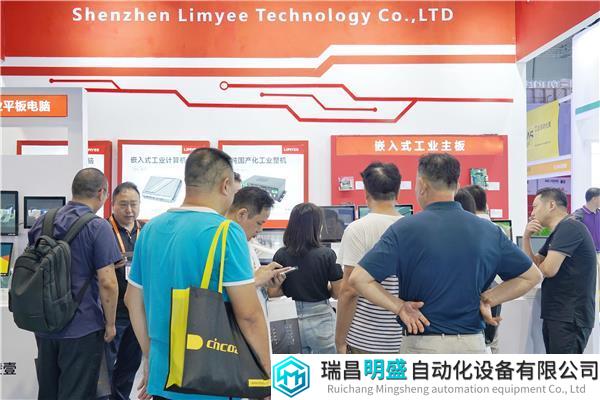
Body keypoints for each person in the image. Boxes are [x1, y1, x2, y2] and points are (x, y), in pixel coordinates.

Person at [349, 153, 542, 354]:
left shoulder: (404, 229)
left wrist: (399, 307)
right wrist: (489, 298)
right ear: (456, 185)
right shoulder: (489, 230)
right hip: (472, 346)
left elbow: (359, 279)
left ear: (422, 185)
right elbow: (532, 276)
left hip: (423, 346)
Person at [124, 148, 270, 400]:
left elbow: (132, 300)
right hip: (210, 381)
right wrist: (267, 376)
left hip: (162, 379)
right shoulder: (226, 232)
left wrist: (151, 357)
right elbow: (249, 316)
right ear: (226, 185)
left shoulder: (150, 229)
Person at [28, 168, 120, 399]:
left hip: (45, 324)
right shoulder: (98, 227)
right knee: (77, 393)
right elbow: (108, 282)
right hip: (82, 327)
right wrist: (110, 325)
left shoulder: (43, 221)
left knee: (48, 391)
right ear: (101, 192)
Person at [335, 162, 404, 354]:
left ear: (366, 193)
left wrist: (340, 340)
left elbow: (349, 291)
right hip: (403, 336)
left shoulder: (357, 229)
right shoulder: (413, 228)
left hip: (364, 339)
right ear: (398, 192)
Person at [523, 188, 597, 353]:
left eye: (535, 207)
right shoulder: (558, 231)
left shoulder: (570, 227)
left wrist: (540, 267)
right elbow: (535, 264)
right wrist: (526, 237)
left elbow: (548, 270)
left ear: (551, 205)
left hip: (570, 316)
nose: (532, 213)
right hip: (558, 314)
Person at [269, 203, 343, 354]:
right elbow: (337, 293)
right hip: (321, 319)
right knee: (329, 366)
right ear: (317, 226)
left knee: (294, 367)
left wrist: (292, 287)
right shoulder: (327, 254)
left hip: (289, 320)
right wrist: (322, 288)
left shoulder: (280, 254)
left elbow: (273, 292)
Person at [104, 182, 144, 400]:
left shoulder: (146, 231)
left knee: (130, 365)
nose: (129, 210)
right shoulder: (103, 230)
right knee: (106, 366)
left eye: (134, 204)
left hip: (138, 311)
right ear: (113, 204)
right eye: (123, 204)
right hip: (112, 312)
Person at [225, 186, 289, 316]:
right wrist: (256, 280)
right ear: (242, 214)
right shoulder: (223, 243)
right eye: (259, 223)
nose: (260, 230)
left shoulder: (245, 243)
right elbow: (225, 293)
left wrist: (265, 282)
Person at [464, 184, 502, 354]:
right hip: (495, 290)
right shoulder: (497, 229)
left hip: (474, 291)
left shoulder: (470, 227)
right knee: (492, 338)